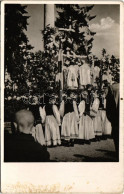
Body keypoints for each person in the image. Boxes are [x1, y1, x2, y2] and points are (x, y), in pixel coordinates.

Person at [106, 83, 119, 161]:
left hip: (116, 117)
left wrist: (110, 117)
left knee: (117, 138)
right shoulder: (113, 87)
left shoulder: (113, 87)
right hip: (116, 117)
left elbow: (109, 105)